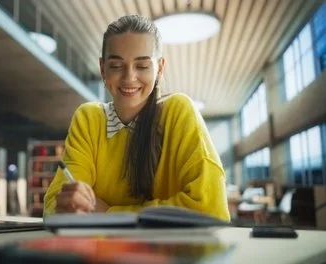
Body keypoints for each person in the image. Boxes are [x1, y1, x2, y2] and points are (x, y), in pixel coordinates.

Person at [43, 15, 230, 221]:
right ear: (103, 69)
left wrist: (107, 213)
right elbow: (53, 205)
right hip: (100, 253)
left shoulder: (178, 111)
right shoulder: (88, 119)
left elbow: (212, 208)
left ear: (159, 68)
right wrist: (65, 205)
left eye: (141, 66)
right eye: (116, 66)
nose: (129, 77)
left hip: (173, 252)